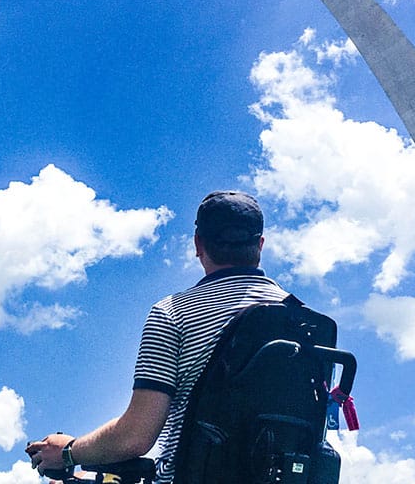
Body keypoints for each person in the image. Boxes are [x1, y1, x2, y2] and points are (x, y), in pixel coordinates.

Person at [26, 191, 289, 483]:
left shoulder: (173, 313)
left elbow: (136, 437)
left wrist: (68, 452)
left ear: (198, 244)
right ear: (260, 245)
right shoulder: (306, 323)